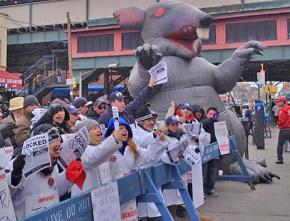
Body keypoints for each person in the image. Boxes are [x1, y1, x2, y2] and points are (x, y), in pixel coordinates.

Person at [7, 124, 85, 220]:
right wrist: (15, 177)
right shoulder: (18, 164)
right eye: (55, 149)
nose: (58, 152)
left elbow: (54, 191)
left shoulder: (53, 166)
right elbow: (4, 198)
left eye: (59, 148)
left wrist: (68, 177)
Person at [202, 107, 219, 197]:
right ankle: (203, 190)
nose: (212, 116)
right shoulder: (204, 122)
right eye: (210, 114)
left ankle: (210, 188)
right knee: (204, 170)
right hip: (205, 149)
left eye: (214, 114)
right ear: (207, 114)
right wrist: (210, 120)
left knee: (213, 169)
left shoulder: (218, 124)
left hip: (214, 149)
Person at [275, 96, 290, 164]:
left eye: (278, 101)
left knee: (280, 145)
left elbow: (281, 120)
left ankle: (280, 159)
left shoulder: (282, 110)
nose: (277, 103)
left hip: (284, 130)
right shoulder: (289, 108)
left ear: (282, 102)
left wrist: (278, 124)